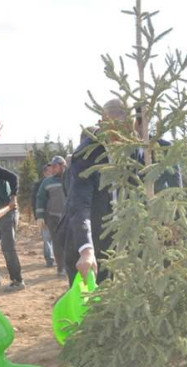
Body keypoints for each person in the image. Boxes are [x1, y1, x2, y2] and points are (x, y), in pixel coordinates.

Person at [60, 99, 129, 284]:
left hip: (118, 242)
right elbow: (79, 203)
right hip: (87, 241)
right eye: (111, 128)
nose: (117, 135)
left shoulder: (133, 149)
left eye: (122, 128)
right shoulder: (87, 154)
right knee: (88, 305)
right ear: (102, 123)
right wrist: (86, 249)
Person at [36, 155, 67, 277]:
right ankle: (61, 268)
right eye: (51, 166)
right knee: (57, 243)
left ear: (62, 166)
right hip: (53, 217)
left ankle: (71, 266)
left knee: (71, 242)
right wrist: (40, 216)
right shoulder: (47, 182)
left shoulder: (71, 179)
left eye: (55, 166)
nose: (52, 169)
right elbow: (40, 199)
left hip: (69, 217)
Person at [33, 164, 55, 267]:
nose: (51, 173)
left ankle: (57, 258)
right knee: (47, 238)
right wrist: (38, 216)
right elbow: (35, 201)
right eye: (49, 171)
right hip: (44, 216)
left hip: (55, 216)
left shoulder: (58, 182)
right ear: (45, 173)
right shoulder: (38, 185)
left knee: (56, 238)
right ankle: (49, 259)